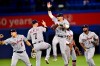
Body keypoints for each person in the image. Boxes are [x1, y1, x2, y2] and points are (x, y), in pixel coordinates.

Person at [47, 2, 70, 66]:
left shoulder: (65, 21)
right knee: (53, 43)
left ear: (62, 17)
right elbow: (50, 15)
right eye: (57, 16)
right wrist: (49, 8)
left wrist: (62, 25)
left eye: (58, 16)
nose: (57, 17)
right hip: (57, 36)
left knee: (63, 52)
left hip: (63, 37)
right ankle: (55, 56)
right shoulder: (55, 20)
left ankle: (66, 63)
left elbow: (68, 27)